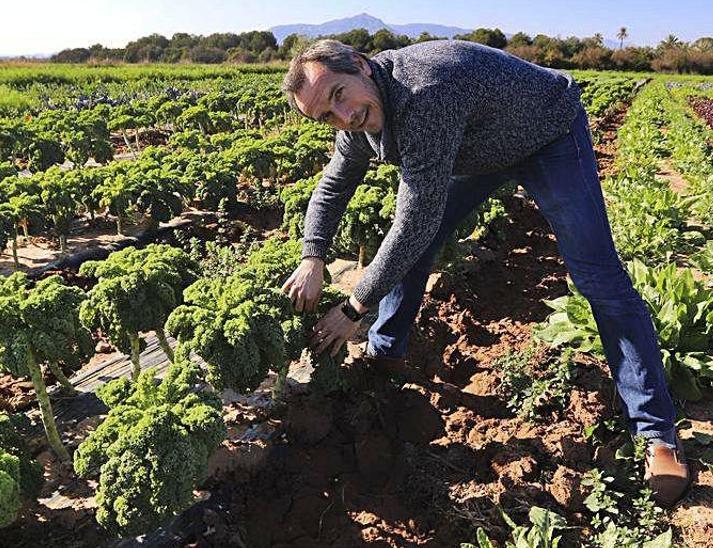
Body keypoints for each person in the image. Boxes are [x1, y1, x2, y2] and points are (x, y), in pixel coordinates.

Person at [278, 38, 690, 506]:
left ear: (360, 65)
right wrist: (312, 255)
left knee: (597, 277)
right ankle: (385, 356)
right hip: (479, 145)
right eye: (325, 116)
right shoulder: (356, 119)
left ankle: (657, 432)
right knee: (417, 243)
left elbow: (413, 223)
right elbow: (334, 184)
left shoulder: (424, 95)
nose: (342, 115)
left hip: (546, 134)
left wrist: (354, 306)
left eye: (338, 95)